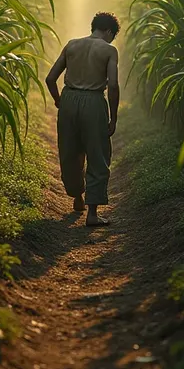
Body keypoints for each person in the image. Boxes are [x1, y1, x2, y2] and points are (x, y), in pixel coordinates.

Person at [45, 12, 120, 227]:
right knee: (97, 153)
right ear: (108, 31)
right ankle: (92, 214)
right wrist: (113, 118)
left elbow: (50, 78)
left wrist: (59, 100)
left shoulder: (72, 45)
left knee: (71, 150)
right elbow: (113, 85)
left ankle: (77, 197)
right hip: (94, 102)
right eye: (112, 36)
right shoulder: (109, 50)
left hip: (68, 98)